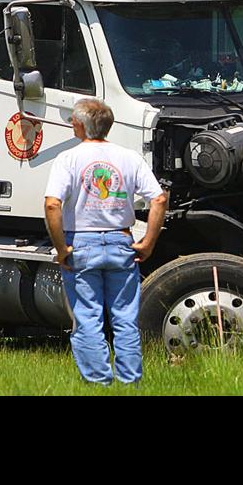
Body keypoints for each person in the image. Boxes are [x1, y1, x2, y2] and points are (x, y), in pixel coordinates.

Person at [45, 99, 168, 385]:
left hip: (82, 244)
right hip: (121, 242)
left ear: (79, 124)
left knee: (88, 318)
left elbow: (53, 204)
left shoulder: (68, 158)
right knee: (125, 319)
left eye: (73, 121)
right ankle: (130, 382)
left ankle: (99, 382)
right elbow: (159, 198)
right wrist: (149, 242)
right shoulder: (129, 157)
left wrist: (62, 248)